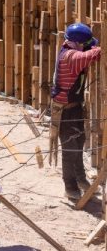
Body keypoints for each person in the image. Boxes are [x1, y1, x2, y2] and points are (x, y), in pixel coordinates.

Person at [49, 23, 101, 201]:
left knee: (79, 143)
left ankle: (80, 179)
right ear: (78, 43)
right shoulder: (70, 56)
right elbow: (93, 54)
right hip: (65, 111)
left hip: (75, 107)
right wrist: (96, 48)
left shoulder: (72, 50)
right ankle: (70, 186)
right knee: (70, 149)